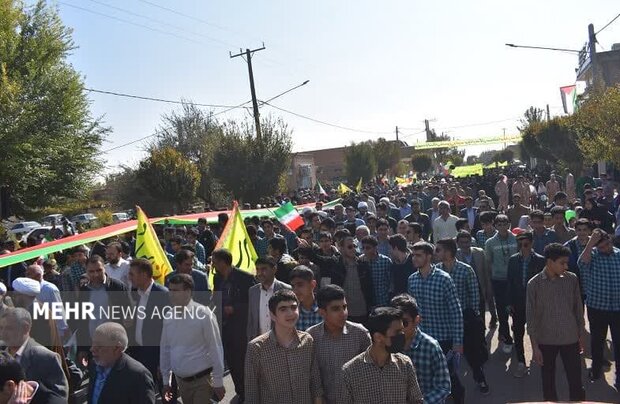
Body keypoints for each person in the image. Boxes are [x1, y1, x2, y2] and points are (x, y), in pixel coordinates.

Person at [527, 243, 585, 402]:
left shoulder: (571, 279)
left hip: (570, 339)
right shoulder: (534, 284)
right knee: (548, 381)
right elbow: (530, 318)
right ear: (549, 262)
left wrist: (580, 335)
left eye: (567, 263)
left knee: (575, 380)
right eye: (562, 263)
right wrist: (535, 347)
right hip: (546, 340)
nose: (566, 266)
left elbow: (578, 310)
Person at [407, 242, 464, 403]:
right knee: (425, 378)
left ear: (429, 256)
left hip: (444, 339)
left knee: (450, 378)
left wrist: (458, 342)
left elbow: (456, 312)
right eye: (413, 255)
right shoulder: (412, 280)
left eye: (418, 255)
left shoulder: (444, 279)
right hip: (423, 340)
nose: (414, 258)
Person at [244, 289, 323, 404]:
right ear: (272, 315)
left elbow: (316, 383)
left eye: (293, 307)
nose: (290, 313)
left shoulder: (307, 341)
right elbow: (251, 393)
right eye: (283, 309)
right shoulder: (257, 348)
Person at [160, 273, 225, 404]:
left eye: (176, 290)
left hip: (202, 381)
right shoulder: (168, 316)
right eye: (170, 290)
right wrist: (166, 381)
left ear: (188, 291)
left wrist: (218, 381)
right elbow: (165, 349)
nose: (171, 294)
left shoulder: (204, 314)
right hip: (181, 383)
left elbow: (215, 348)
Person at [435, 238, 488, 395]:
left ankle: (480, 379)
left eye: (438, 250)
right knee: (446, 355)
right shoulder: (436, 270)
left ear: (448, 252)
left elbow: (474, 295)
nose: (435, 253)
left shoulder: (466, 270)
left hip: (465, 318)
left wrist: (472, 317)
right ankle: (451, 387)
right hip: (444, 320)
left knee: (471, 354)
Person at [341, 306, 423, 404]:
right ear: (378, 337)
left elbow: (416, 400)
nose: (402, 335)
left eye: (402, 330)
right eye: (397, 332)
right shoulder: (350, 371)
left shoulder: (405, 364)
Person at [307, 285, 370, 404]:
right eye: (336, 309)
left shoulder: (360, 334)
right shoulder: (311, 337)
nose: (343, 313)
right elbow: (312, 376)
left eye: (344, 307)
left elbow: (370, 372)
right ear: (322, 312)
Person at [212, 248, 255, 402]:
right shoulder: (217, 278)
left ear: (224, 262)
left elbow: (253, 302)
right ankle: (240, 391)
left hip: (240, 328)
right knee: (231, 362)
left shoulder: (245, 278)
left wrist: (235, 308)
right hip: (223, 327)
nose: (213, 265)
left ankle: (248, 393)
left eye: (215, 262)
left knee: (242, 361)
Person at [578, 229, 620, 387]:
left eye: (607, 244)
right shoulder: (592, 255)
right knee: (597, 341)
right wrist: (591, 243)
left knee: (619, 342)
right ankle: (596, 371)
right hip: (598, 307)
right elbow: (581, 264)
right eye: (601, 247)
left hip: (617, 308)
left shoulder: (619, 254)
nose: (606, 248)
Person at [391, 294, 450, 404]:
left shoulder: (431, 347)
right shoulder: (390, 345)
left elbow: (443, 386)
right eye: (395, 322)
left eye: (405, 322)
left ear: (417, 320)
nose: (400, 328)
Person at [0, 308, 68, 402]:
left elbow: (59, 399)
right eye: (1, 328)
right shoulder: (2, 352)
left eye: (9, 328)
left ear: (25, 328)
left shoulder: (46, 358)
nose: (2, 333)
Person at [127, 258, 169, 396]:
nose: (129, 277)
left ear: (144, 275)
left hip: (158, 356)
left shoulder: (162, 295)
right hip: (142, 353)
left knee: (167, 395)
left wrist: (162, 362)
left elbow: (168, 331)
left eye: (132, 274)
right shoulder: (137, 294)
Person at [506, 232, 544, 378]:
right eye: (520, 244)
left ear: (531, 243)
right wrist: (508, 303)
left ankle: (538, 355)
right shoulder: (513, 260)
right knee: (518, 332)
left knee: (537, 331)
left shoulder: (540, 260)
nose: (523, 247)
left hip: (535, 303)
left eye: (526, 244)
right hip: (517, 302)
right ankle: (521, 361)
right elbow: (509, 282)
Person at [88, 322, 156, 404]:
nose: (92, 349)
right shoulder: (94, 365)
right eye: (92, 343)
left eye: (99, 346)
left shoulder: (138, 376)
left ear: (117, 348)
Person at [484, 214, 518, 353]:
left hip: (515, 280)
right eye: (499, 224)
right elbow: (488, 262)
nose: (503, 226)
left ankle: (518, 334)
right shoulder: (490, 242)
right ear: (495, 225)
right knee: (502, 312)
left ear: (509, 224)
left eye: (505, 223)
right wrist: (490, 283)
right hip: (498, 280)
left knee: (517, 310)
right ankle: (507, 338)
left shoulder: (516, 239)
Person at [456, 231, 497, 328]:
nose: (465, 245)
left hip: (479, 289)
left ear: (471, 242)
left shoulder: (479, 252)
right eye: (462, 242)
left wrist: (488, 289)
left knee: (481, 315)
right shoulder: (455, 255)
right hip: (463, 292)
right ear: (458, 243)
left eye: (467, 242)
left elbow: (486, 273)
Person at [247, 256, 291, 341]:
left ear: (274, 269)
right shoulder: (253, 291)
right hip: (258, 342)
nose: (259, 273)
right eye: (257, 269)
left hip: (281, 341)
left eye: (264, 269)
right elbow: (251, 320)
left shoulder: (286, 289)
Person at [359, 236, 392, 307]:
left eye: (368, 248)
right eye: (363, 248)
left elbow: (391, 282)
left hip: (383, 301)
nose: (365, 251)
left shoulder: (385, 261)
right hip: (367, 302)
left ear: (375, 247)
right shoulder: (360, 261)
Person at [565, 218, 592, 303]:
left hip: (593, 286)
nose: (582, 232)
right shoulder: (569, 246)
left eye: (585, 230)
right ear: (575, 231)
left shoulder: (595, 243)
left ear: (589, 231)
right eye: (579, 230)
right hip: (576, 286)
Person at [289, 266, 322, 331]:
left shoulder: (325, 309)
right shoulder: (291, 312)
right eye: (293, 286)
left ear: (313, 284)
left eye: (300, 285)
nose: (295, 290)